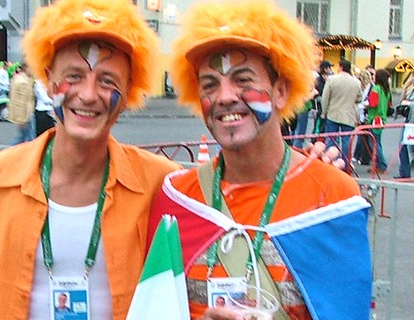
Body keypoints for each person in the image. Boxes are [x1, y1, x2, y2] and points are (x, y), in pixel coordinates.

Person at [0, 0, 181, 319]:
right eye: (74, 76)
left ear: (128, 92)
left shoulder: (162, 183)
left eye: (107, 80)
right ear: (50, 83)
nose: (89, 94)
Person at [148, 1, 370, 319]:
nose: (224, 97)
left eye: (243, 80)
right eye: (210, 84)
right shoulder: (177, 200)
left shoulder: (332, 196)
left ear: (280, 91)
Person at [321, 59, 363, 170]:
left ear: (340, 67)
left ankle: (330, 161)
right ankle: (345, 163)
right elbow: (359, 98)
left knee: (331, 139)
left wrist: (324, 112)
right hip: (348, 115)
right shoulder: (356, 82)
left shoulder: (331, 79)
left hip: (333, 113)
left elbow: (325, 98)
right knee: (346, 140)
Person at [364, 69, 392, 174]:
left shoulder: (376, 89)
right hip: (382, 118)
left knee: (374, 143)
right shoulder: (386, 90)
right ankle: (377, 164)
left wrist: (365, 105)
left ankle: (381, 164)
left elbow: (373, 103)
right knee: (377, 141)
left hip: (374, 118)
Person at [8, 63, 36, 145]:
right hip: (26, 115)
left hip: (23, 115)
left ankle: (8, 152)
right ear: (27, 68)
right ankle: (7, 152)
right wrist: (22, 119)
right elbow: (21, 103)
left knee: (23, 138)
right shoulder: (24, 82)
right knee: (28, 139)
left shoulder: (18, 78)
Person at [353, 65, 376, 166]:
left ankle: (366, 158)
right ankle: (361, 156)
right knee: (363, 137)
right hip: (362, 114)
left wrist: (363, 105)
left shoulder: (372, 88)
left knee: (366, 138)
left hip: (366, 115)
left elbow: (371, 102)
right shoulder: (365, 87)